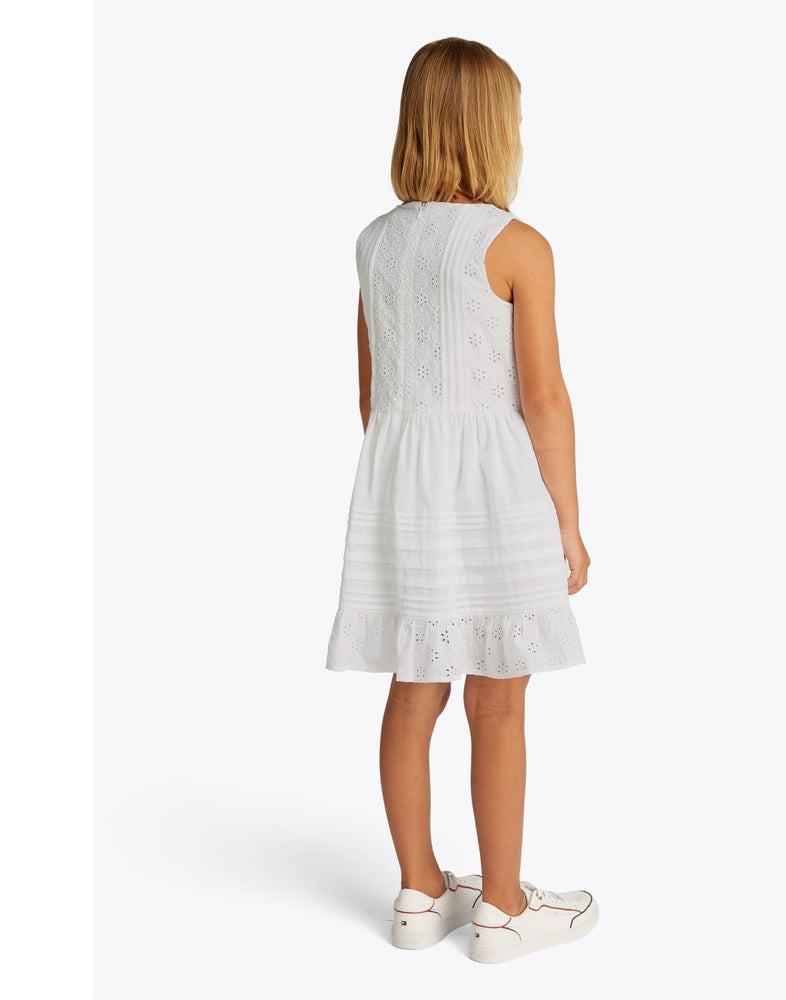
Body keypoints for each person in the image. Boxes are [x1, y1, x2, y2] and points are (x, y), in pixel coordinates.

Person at [325, 37, 597, 964]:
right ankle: (504, 909)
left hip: (401, 491)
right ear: (494, 131)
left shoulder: (374, 243)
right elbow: (544, 397)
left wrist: (406, 487)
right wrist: (566, 522)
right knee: (499, 702)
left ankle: (418, 891)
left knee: (414, 690)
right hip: (496, 492)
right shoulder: (517, 245)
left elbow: (371, 394)